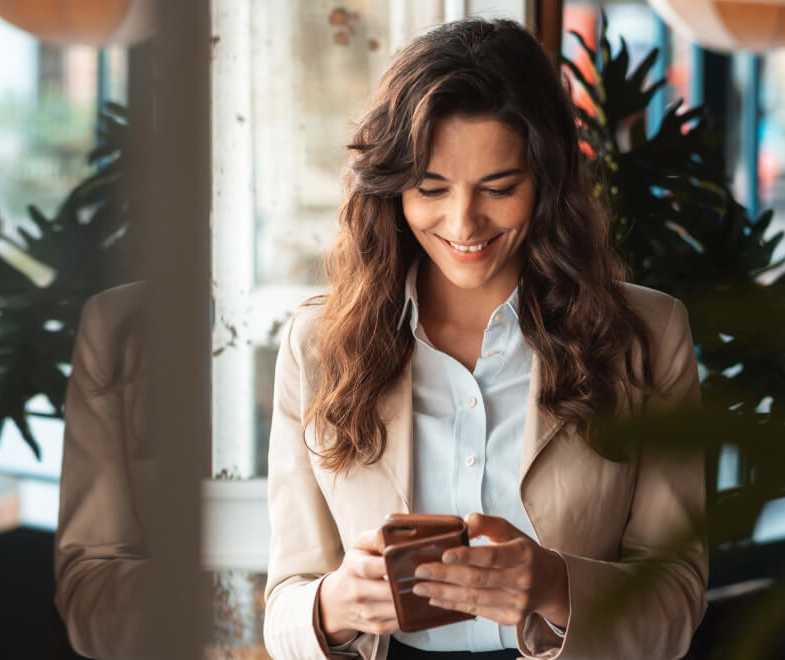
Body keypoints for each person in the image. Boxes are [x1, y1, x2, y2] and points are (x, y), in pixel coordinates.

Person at [265, 17, 707, 660]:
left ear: (548, 184)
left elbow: (676, 603)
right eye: (431, 188)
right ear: (392, 190)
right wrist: (332, 605)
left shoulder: (648, 337)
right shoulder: (316, 346)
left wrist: (556, 587)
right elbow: (284, 604)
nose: (463, 222)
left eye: (499, 188)